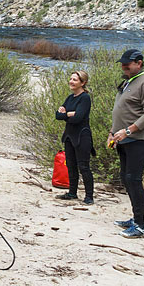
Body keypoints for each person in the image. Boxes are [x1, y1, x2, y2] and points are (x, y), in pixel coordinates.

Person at [109, 49, 144, 239]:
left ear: (139, 63)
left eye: (127, 64)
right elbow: (121, 110)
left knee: (134, 179)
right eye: (122, 63)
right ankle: (135, 217)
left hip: (138, 139)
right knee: (125, 178)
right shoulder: (129, 81)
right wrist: (112, 133)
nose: (123, 66)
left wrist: (129, 130)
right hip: (122, 138)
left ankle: (139, 225)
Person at [55, 71, 94, 205]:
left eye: (75, 80)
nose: (71, 81)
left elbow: (78, 118)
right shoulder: (70, 97)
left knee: (83, 166)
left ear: (83, 83)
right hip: (69, 136)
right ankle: (72, 193)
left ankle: (89, 196)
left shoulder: (85, 98)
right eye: (71, 79)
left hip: (82, 136)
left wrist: (67, 114)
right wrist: (69, 114)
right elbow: (57, 115)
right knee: (71, 165)